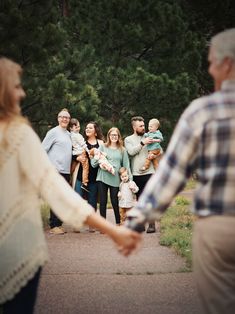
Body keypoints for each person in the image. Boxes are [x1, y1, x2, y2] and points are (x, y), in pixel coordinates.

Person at [0, 57, 141, 314]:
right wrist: (113, 231)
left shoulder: (56, 135)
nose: (22, 92)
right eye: (17, 86)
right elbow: (60, 194)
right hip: (17, 252)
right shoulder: (18, 135)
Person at [126, 28, 235, 314]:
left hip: (219, 228)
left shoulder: (203, 112)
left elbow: (171, 175)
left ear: (227, 64)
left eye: (212, 61)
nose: (209, 69)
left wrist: (136, 220)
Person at [92, 127, 131, 226]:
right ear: (108, 136)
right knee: (103, 201)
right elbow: (93, 164)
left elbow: (126, 166)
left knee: (115, 201)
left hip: (115, 178)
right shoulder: (102, 147)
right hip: (102, 177)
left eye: (116, 135)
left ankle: (118, 222)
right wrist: (98, 159)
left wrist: (130, 180)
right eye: (112, 135)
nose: (114, 137)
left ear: (118, 137)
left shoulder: (122, 150)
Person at [42, 108, 72, 235]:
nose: (64, 119)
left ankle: (58, 224)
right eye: (62, 117)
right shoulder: (53, 132)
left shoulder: (69, 134)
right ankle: (53, 225)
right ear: (58, 118)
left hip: (66, 171)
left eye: (67, 117)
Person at [124, 116, 156, 233]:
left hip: (150, 172)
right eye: (141, 126)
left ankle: (152, 224)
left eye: (144, 125)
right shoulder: (128, 139)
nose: (143, 128)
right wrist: (142, 143)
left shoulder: (150, 136)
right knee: (138, 200)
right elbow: (131, 152)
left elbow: (158, 149)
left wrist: (154, 154)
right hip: (136, 174)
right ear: (134, 127)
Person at [69, 118, 90, 191]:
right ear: (71, 128)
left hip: (76, 153)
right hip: (80, 152)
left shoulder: (70, 135)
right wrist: (88, 151)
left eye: (79, 126)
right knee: (86, 167)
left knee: (72, 168)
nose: (78, 128)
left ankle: (69, 179)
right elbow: (83, 144)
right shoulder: (77, 135)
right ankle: (85, 183)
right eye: (76, 127)